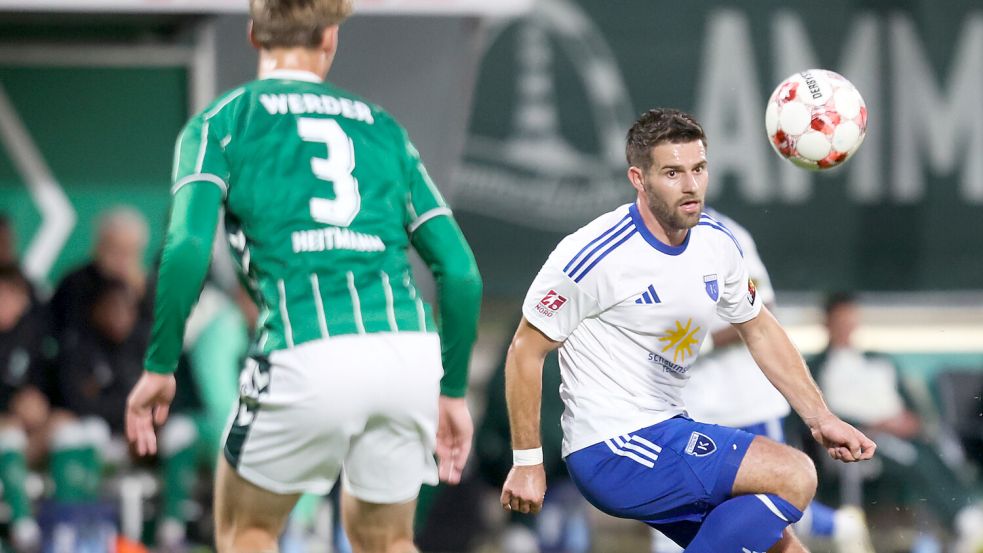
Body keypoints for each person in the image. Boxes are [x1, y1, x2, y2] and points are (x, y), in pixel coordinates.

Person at [123, 1, 483, 552]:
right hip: (407, 353)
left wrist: (160, 364)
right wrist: (452, 391)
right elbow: (459, 273)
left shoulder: (222, 122)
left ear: (251, 36)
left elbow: (188, 246)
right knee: (386, 541)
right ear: (330, 39)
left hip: (305, 345)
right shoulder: (384, 130)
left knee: (248, 531)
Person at [499, 108, 876, 553]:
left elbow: (758, 326)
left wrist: (822, 417)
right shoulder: (593, 254)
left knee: (784, 548)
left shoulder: (719, 243)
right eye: (673, 173)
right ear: (639, 179)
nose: (692, 185)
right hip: (614, 445)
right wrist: (527, 462)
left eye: (698, 169)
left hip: (669, 427)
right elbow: (525, 349)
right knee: (794, 474)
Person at [649, 209, 874, 553]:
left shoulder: (725, 234)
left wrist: (699, 343)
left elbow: (762, 307)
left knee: (776, 520)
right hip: (685, 409)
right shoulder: (631, 240)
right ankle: (840, 525)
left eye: (692, 170)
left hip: (745, 404)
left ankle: (840, 527)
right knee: (681, 523)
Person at [812, 292, 983, 553]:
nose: (847, 327)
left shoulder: (880, 360)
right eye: (840, 321)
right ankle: (963, 520)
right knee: (912, 458)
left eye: (851, 320)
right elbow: (823, 416)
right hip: (865, 439)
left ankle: (965, 515)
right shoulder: (818, 368)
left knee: (941, 451)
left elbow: (910, 405)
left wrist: (911, 420)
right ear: (827, 323)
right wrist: (878, 426)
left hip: (904, 434)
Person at [48, 206, 152, 339]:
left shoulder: (149, 290)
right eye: (115, 249)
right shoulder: (76, 284)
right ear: (99, 247)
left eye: (129, 252)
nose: (122, 259)